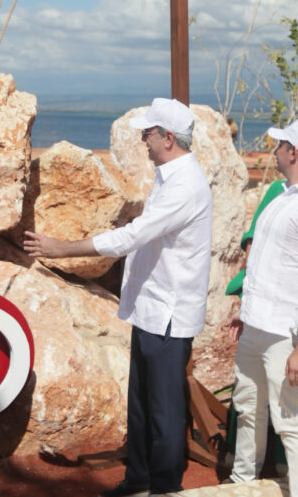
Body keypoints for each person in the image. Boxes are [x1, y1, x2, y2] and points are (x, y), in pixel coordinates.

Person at [24, 97, 212, 497]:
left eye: (147, 132)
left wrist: (63, 248)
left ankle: (164, 486)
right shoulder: (169, 176)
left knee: (163, 410)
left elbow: (133, 237)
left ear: (167, 137)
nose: (142, 139)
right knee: (142, 404)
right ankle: (139, 479)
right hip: (151, 308)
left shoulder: (185, 185)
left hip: (169, 314)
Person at [225, 118, 298, 497]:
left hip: (287, 336)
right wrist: (246, 314)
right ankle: (243, 483)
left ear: (293, 152)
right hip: (258, 327)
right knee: (248, 409)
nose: (274, 150)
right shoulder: (282, 197)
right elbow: (264, 266)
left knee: (290, 421)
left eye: (280, 145)